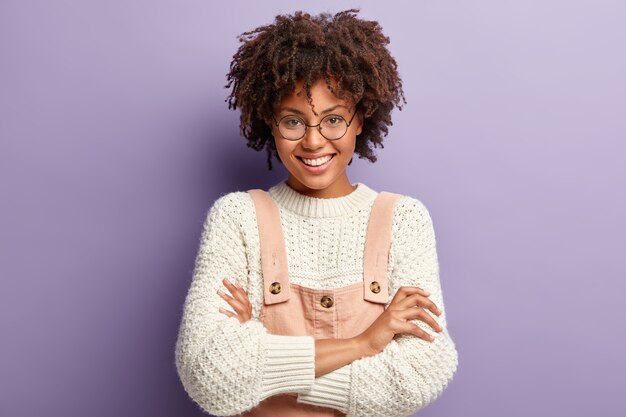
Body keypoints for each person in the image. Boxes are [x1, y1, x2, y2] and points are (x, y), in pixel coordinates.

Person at [175, 9, 459, 417]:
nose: (313, 141)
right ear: (269, 122)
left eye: (333, 120)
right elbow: (207, 371)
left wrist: (265, 373)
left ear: (360, 119)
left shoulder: (403, 220)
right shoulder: (238, 218)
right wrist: (365, 344)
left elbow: (420, 373)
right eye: (293, 120)